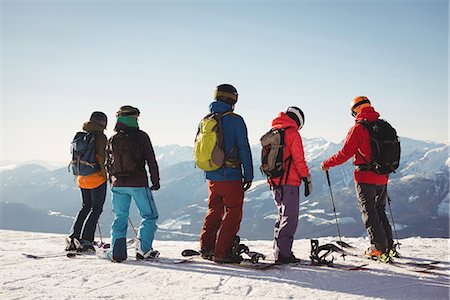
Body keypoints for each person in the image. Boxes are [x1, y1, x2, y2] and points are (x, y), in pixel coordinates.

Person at [320, 96, 395, 263]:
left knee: (369, 211)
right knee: (380, 210)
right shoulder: (384, 126)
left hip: (365, 177)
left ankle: (377, 248)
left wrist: (327, 164)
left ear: (355, 111)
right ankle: (388, 245)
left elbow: (344, 154)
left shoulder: (359, 128)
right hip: (382, 176)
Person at [198, 84, 254, 264]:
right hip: (231, 175)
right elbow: (244, 148)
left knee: (214, 210)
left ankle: (207, 246)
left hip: (212, 175)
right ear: (233, 100)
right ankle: (222, 252)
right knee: (233, 213)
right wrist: (249, 175)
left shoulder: (206, 120)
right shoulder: (235, 120)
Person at [106, 105, 160, 262]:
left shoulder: (113, 138)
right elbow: (151, 160)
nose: (137, 120)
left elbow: (107, 163)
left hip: (117, 185)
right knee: (149, 215)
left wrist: (112, 183)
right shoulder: (141, 136)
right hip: (138, 183)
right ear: (131, 118)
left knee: (120, 217)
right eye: (136, 117)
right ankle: (144, 250)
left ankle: (117, 253)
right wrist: (155, 181)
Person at [266, 106, 312, 264]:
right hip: (290, 182)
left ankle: (278, 251)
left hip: (274, 181)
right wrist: (306, 177)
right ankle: (284, 254)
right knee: (290, 218)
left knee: (281, 216)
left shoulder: (274, 132)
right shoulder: (293, 134)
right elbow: (299, 160)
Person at [66, 111, 108, 252]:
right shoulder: (100, 137)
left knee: (85, 207)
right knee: (96, 209)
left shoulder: (80, 136)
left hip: (81, 177)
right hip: (95, 178)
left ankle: (73, 237)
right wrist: (106, 176)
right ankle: (86, 240)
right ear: (103, 123)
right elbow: (101, 158)